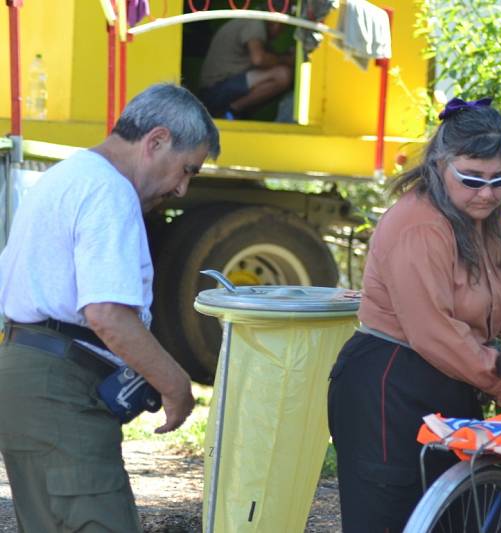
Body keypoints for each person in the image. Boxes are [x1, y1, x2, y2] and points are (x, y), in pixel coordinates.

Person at [0, 83, 220, 532]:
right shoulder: (109, 191)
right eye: (187, 170)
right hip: (59, 388)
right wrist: (175, 383)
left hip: (31, 375)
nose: (181, 188)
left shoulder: (69, 175)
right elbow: (107, 314)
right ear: (156, 141)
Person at [327, 97, 501, 532]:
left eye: (500, 180)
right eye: (472, 179)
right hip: (389, 384)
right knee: (393, 520)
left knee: (460, 518)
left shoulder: (486, 216)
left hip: (454, 375)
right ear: (439, 164)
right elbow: (434, 332)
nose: (487, 193)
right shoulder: (420, 225)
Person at [199, 16, 294, 120]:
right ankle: (232, 112)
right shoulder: (255, 22)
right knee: (283, 74)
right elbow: (259, 59)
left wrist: (286, 56)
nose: (281, 33)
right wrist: (287, 59)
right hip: (214, 93)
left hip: (216, 91)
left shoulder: (253, 27)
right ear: (277, 23)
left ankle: (235, 112)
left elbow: (269, 59)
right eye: (283, 28)